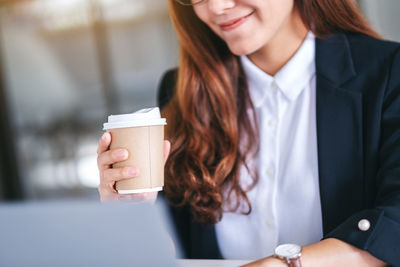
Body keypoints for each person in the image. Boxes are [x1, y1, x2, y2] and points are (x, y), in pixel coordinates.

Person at [97, 0, 400, 266]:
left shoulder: (388, 74)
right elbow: (171, 253)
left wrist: (284, 265)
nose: (215, 7)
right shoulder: (181, 94)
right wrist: (130, 216)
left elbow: (395, 223)